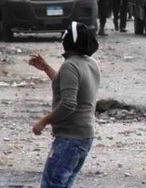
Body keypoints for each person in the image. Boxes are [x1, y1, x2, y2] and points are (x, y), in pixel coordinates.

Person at [28, 21, 100, 188]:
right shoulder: (90, 63)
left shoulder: (70, 66)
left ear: (68, 41)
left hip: (69, 139)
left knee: (51, 185)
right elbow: (69, 85)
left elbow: (68, 104)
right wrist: (46, 68)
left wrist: (43, 121)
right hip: (84, 137)